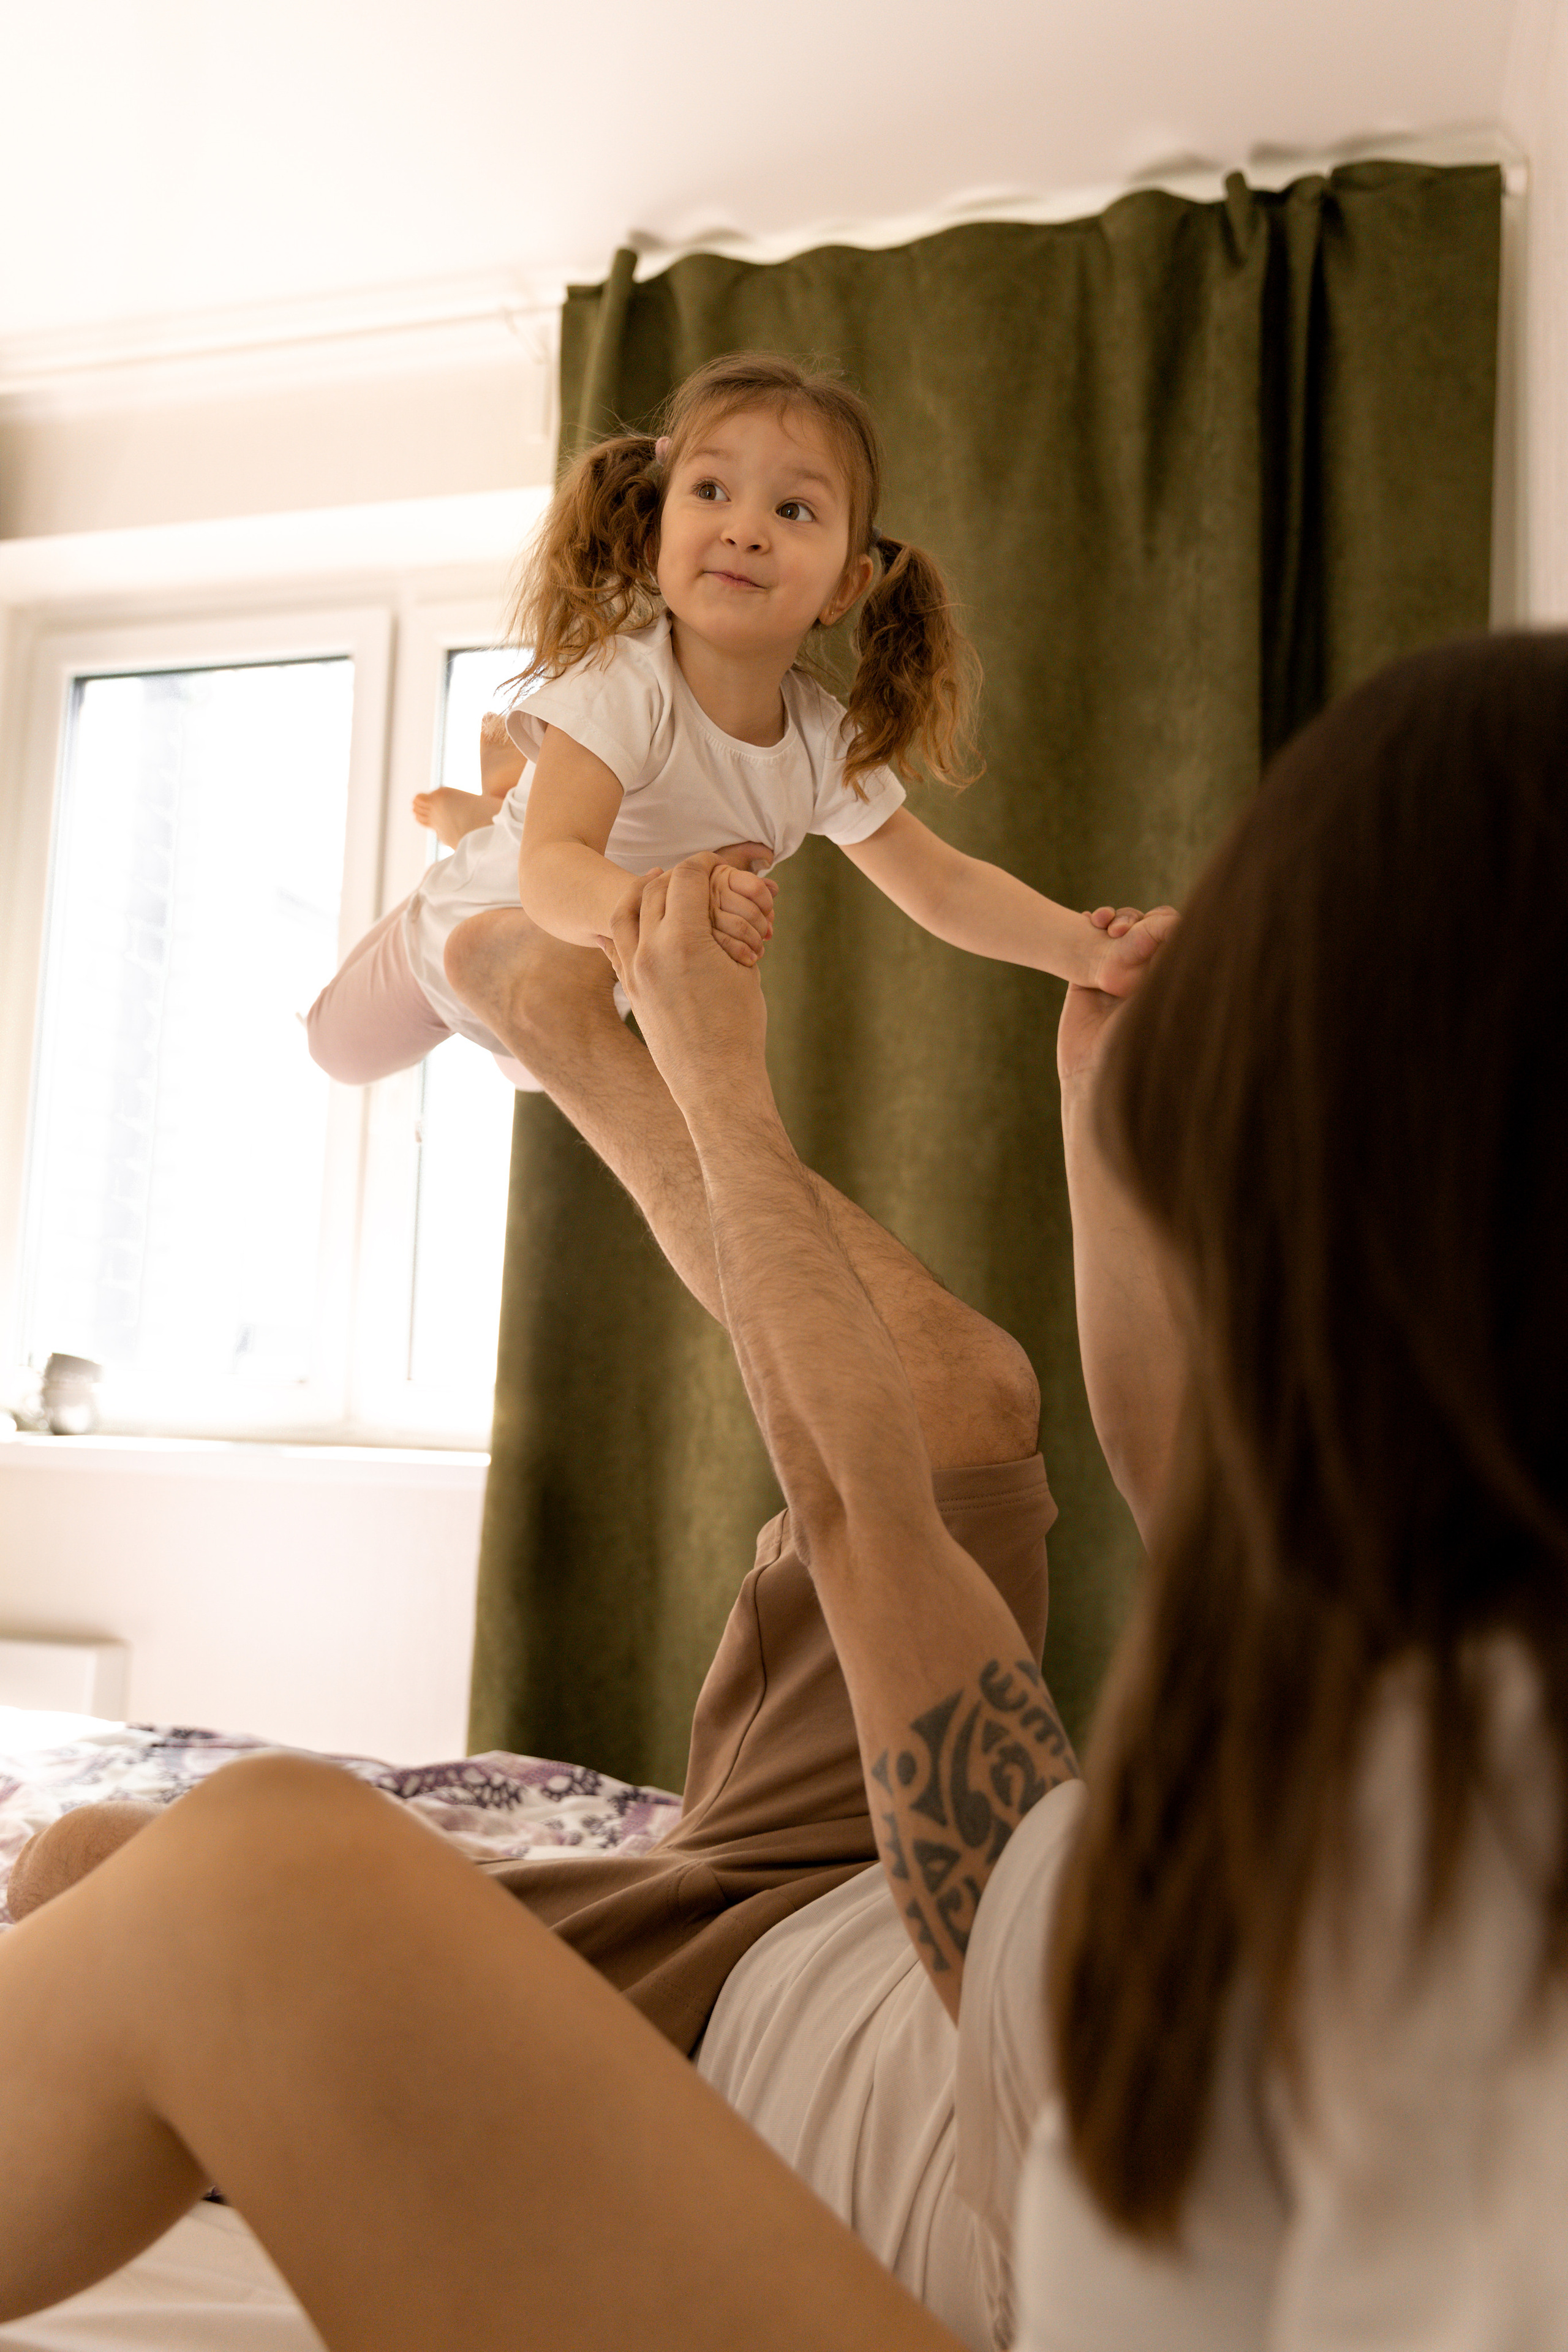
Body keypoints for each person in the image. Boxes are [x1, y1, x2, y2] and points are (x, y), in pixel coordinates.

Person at [5, 627, 1562, 2351]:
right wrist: (1093, 1115)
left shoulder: (1381, 1897)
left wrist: (711, 1075)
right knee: (967, 1400)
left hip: (719, 2056)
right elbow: (1199, 1508)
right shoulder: (1446, 1659)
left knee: (209, 1871)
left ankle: (562, 1027)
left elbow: (861, 1519)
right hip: (845, 1900)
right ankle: (549, 1009)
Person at [304, 351, 1150, 1092]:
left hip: (594, 990)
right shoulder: (625, 685)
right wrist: (661, 905)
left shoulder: (822, 744)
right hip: (466, 936)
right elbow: (554, 872)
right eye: (710, 490)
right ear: (655, 535)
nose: (745, 530)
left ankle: (498, 809)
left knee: (524, 1072)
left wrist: (1087, 954)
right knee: (335, 1052)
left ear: (846, 587)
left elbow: (945, 886)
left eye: (794, 511)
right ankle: (489, 824)